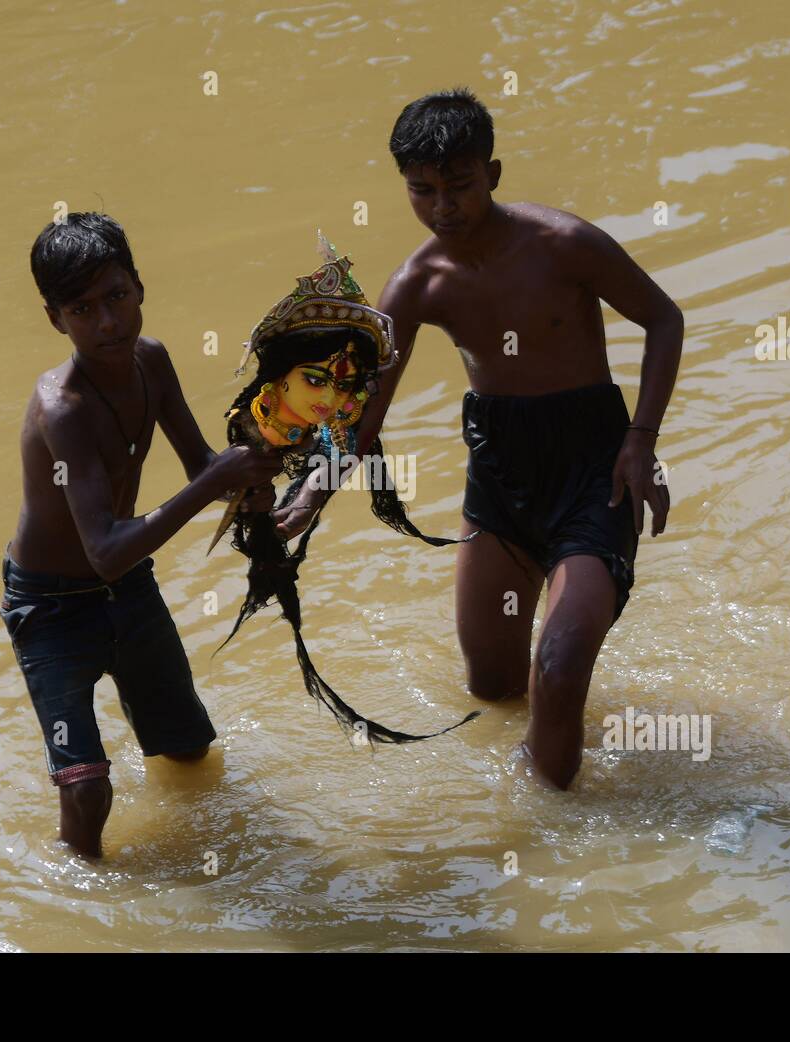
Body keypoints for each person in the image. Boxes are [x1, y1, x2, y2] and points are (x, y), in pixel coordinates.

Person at [272, 90, 684, 790]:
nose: (443, 208)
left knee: (557, 665)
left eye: (459, 186)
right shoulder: (419, 285)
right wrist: (308, 498)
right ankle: (533, 778)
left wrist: (641, 440)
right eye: (422, 190)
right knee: (494, 689)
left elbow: (664, 319)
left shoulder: (565, 244)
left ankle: (553, 831)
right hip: (499, 479)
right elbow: (363, 415)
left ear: (492, 174)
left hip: (594, 472)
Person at [0, 212, 281, 858]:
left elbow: (203, 466)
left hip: (126, 587)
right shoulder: (61, 410)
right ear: (55, 319)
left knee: (187, 750)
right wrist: (216, 484)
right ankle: (82, 910)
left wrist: (253, 479)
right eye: (82, 308)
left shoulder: (152, 362)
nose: (107, 322)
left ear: (140, 288)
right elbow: (103, 550)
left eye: (117, 297)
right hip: (49, 607)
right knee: (88, 791)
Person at [215, 235, 475, 744]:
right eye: (315, 378)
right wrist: (279, 491)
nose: (330, 396)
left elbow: (356, 430)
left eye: (345, 385)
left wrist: (307, 495)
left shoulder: (340, 414)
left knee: (494, 688)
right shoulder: (414, 279)